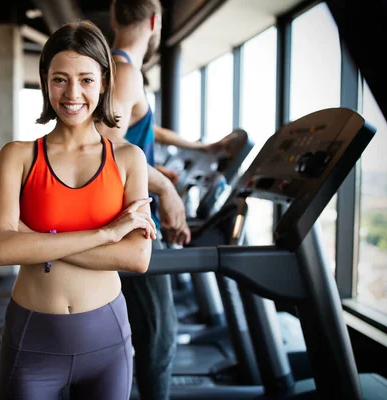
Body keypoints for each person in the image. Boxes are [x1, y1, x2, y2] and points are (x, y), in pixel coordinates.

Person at [0, 20, 157, 400]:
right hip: (33, 341)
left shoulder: (129, 159)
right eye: (60, 79)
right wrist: (104, 234)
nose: (73, 93)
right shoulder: (18, 156)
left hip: (108, 341)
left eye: (86, 80)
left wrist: (36, 241)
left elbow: (138, 256)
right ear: (45, 81)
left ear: (105, 82)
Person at [95, 1, 246, 399]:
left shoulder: (118, 67)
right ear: (155, 21)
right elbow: (107, 148)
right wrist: (162, 187)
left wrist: (196, 145)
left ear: (114, 18)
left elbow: (141, 122)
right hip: (132, 222)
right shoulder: (125, 71)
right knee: (160, 336)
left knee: (143, 330)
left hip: (121, 219)